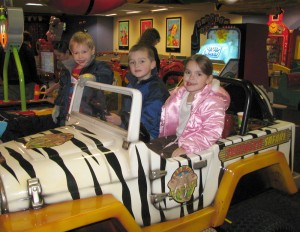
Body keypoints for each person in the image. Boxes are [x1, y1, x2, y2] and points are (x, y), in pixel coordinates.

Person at [148, 54, 230, 158]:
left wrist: (187, 148)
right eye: (188, 72)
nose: (191, 77)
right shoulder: (179, 94)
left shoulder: (212, 102)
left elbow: (211, 132)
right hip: (176, 138)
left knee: (160, 160)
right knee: (145, 150)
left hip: (196, 144)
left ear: (208, 79)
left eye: (199, 74)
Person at [105, 43, 169, 139]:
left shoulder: (156, 89)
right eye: (132, 62)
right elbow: (126, 109)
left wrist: (121, 121)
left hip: (150, 136)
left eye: (142, 61)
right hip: (130, 127)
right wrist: (118, 117)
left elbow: (150, 120)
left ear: (152, 64)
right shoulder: (131, 84)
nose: (136, 66)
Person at [52, 31, 114, 126]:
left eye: (84, 52)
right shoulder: (68, 70)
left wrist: (94, 77)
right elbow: (62, 90)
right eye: (76, 53)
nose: (80, 56)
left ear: (92, 50)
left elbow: (108, 75)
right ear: (72, 53)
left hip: (90, 117)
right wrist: (57, 106)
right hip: (68, 114)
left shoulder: (98, 66)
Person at [0, 31, 42, 100]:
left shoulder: (3, 48)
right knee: (26, 105)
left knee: (12, 107)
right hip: (27, 83)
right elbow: (32, 68)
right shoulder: (26, 49)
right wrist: (38, 81)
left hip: (9, 84)